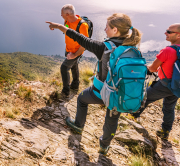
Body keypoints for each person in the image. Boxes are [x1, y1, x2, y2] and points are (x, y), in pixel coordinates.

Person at [46, 13, 142, 155]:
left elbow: (81, 39)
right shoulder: (133, 48)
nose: (104, 29)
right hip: (122, 93)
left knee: (82, 99)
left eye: (107, 27)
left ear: (115, 30)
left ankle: (78, 125)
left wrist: (61, 27)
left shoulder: (105, 48)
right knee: (112, 118)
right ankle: (104, 146)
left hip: (102, 91)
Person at [132, 23, 180, 140]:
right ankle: (165, 131)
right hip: (178, 85)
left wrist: (147, 68)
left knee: (143, 97)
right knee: (169, 108)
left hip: (164, 85)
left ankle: (132, 119)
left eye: (169, 31)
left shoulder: (167, 50)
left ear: (179, 35)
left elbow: (152, 68)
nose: (165, 33)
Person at [58, 4, 89, 96]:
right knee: (74, 66)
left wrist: (75, 55)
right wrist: (56, 27)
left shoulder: (82, 25)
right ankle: (75, 85)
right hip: (68, 49)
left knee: (64, 68)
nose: (61, 15)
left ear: (67, 14)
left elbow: (84, 43)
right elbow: (66, 30)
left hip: (76, 52)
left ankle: (65, 91)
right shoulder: (67, 21)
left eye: (62, 13)